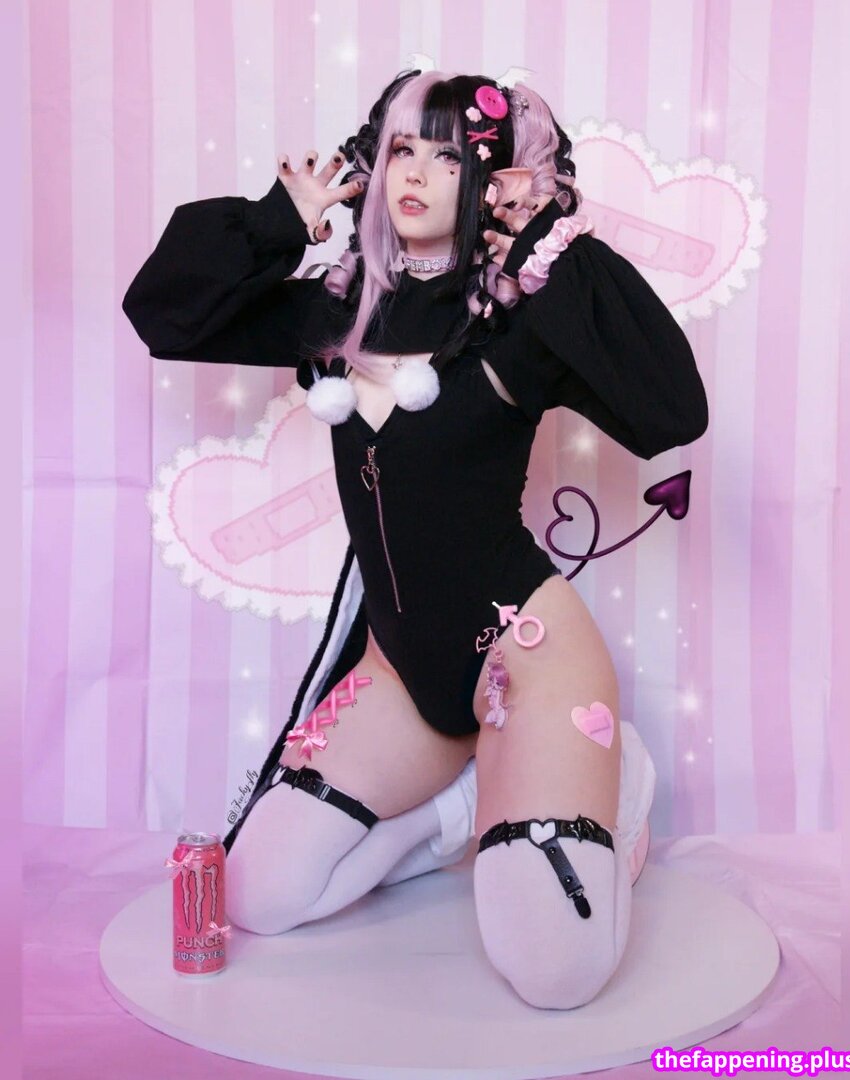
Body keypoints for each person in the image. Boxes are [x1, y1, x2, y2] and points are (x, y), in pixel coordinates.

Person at [123, 70, 708, 1010]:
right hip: (404, 674)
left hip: (528, 658)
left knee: (553, 975)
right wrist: (280, 220)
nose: (418, 173)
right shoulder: (338, 310)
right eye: (404, 148)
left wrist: (552, 245)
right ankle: (465, 807)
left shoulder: (520, 323)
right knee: (261, 896)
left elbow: (673, 412)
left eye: (450, 157)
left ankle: (608, 778)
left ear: (491, 185)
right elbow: (162, 315)